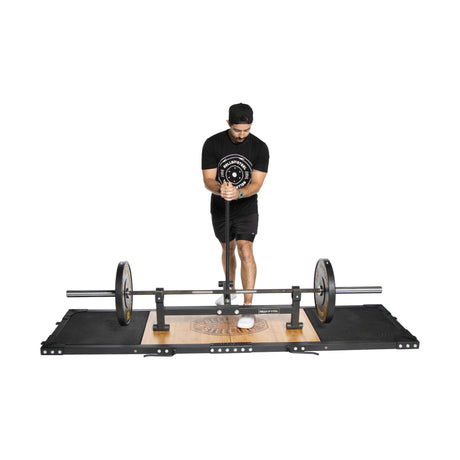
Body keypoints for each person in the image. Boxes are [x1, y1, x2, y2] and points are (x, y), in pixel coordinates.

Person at [201, 103, 269, 329]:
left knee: (245, 249)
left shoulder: (260, 147)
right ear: (228, 123)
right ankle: (229, 291)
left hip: (246, 207)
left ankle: (248, 307)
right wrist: (221, 189)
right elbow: (208, 179)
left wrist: (239, 192)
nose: (242, 135)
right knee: (227, 248)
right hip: (220, 207)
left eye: (246, 130)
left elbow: (257, 183)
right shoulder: (212, 144)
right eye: (237, 130)